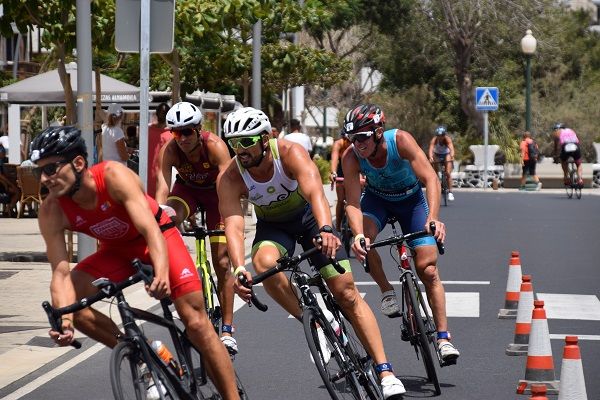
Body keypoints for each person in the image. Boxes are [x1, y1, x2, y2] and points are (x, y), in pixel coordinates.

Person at [29, 126, 239, 399]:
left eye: (51, 169)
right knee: (74, 303)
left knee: (196, 323)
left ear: (78, 163)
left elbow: (151, 231)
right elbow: (59, 273)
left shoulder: (114, 176)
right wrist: (65, 321)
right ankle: (144, 353)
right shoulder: (51, 210)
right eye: (39, 171)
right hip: (117, 251)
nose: (45, 178)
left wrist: (161, 274)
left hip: (157, 237)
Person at [218, 106, 407, 399]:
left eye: (245, 141)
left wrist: (327, 230)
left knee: (346, 293)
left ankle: (385, 371)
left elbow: (316, 192)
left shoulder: (289, 153)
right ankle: (315, 321)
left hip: (309, 221)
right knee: (262, 264)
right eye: (233, 143)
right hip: (273, 227)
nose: (239, 150)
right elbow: (233, 223)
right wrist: (238, 268)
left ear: (265, 138)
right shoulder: (231, 177)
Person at [341, 104, 460, 364]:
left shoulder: (401, 141)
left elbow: (430, 178)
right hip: (378, 201)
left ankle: (443, 338)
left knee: (427, 269)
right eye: (352, 138)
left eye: (362, 137)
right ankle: (386, 292)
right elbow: (352, 202)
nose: (357, 144)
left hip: (412, 203)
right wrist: (358, 234)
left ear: (378, 132)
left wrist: (433, 219)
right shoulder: (351, 157)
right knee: (364, 243)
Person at [155, 101, 238, 354]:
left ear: (199, 129)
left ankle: (227, 329)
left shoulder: (215, 146)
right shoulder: (169, 150)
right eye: (175, 132)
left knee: (222, 263)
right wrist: (159, 219)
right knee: (168, 216)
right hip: (187, 192)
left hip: (217, 196)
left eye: (187, 132)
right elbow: (162, 188)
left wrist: (230, 220)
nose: (181, 138)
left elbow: (228, 187)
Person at [147, 103, 171, 198]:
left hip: (148, 175)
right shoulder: (171, 135)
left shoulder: (147, 131)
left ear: (156, 114)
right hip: (163, 176)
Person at [329, 131, 352, 231]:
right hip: (341, 170)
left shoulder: (357, 143)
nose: (350, 143)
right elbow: (334, 158)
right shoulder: (339, 143)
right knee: (341, 199)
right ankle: (338, 227)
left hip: (355, 169)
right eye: (348, 141)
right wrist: (333, 173)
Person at [427, 125, 455, 201]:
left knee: (448, 173)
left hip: (446, 154)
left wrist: (452, 156)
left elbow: (451, 148)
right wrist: (430, 157)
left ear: (444, 134)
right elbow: (431, 149)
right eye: (438, 135)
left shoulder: (447, 139)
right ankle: (438, 179)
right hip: (437, 154)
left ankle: (450, 192)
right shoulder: (434, 140)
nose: (440, 137)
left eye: (442, 135)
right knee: (435, 171)